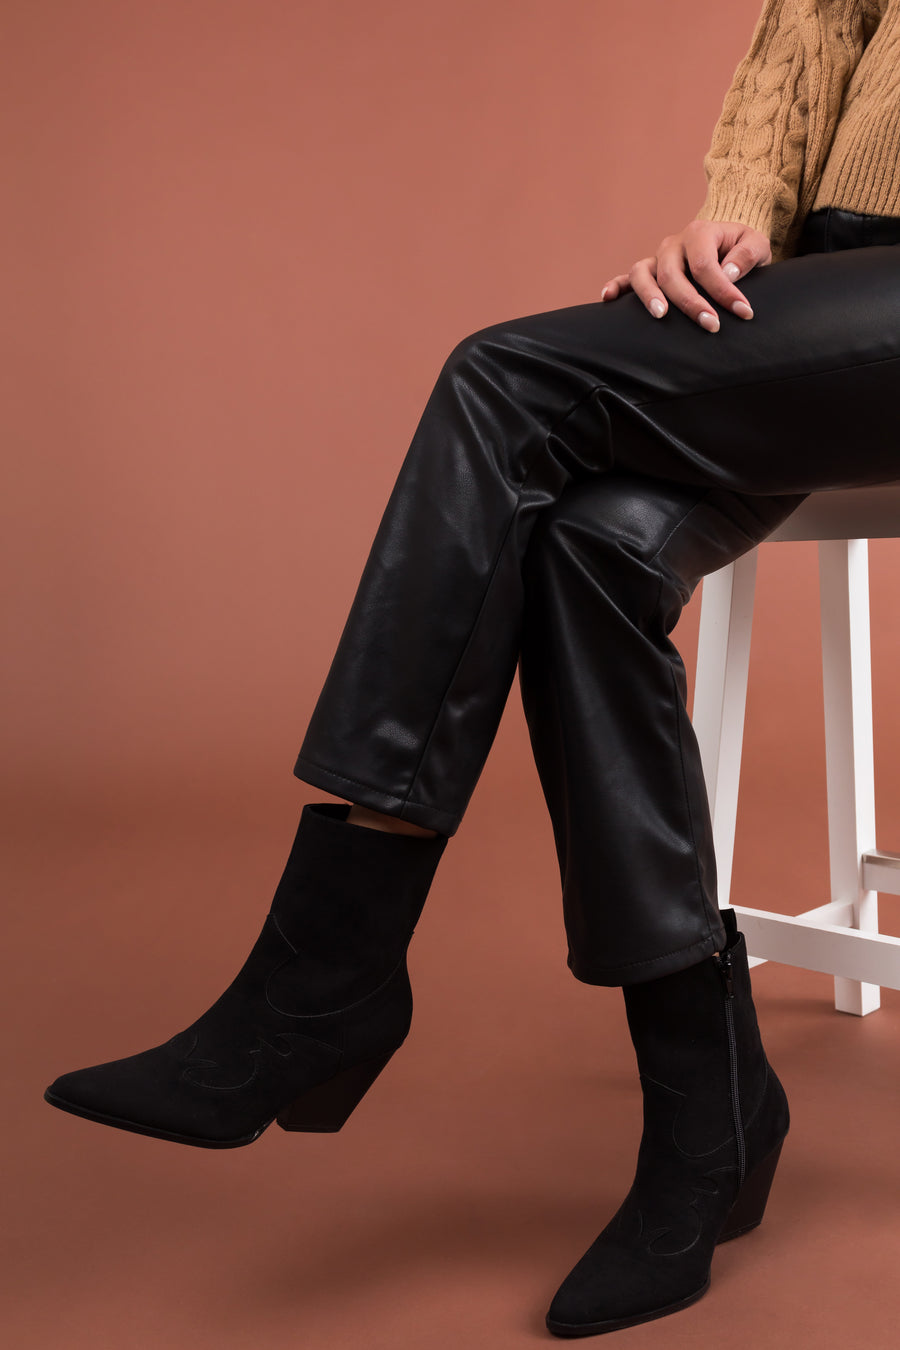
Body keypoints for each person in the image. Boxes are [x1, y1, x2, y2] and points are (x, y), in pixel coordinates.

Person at [44, 0, 900, 1338]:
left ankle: (325, 977)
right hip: (832, 293)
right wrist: (739, 212)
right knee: (582, 547)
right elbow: (821, 22)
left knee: (502, 381)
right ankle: (711, 1109)